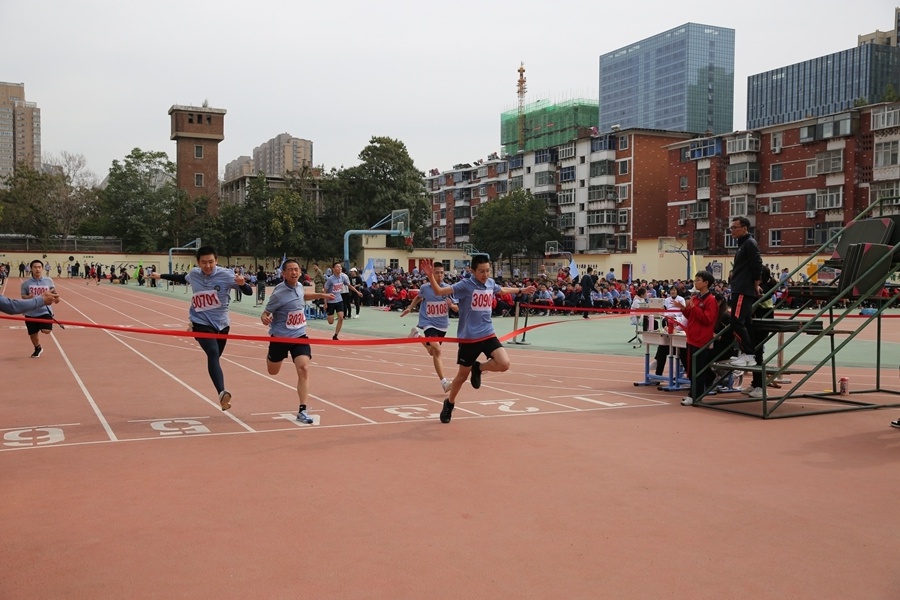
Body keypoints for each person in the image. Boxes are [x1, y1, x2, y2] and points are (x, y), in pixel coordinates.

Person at [421, 255, 536, 424]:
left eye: (488, 270)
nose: (485, 274)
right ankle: (449, 404)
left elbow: (501, 290)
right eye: (481, 271)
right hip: (469, 338)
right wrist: (431, 275)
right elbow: (439, 291)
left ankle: (479, 368)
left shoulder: (490, 283)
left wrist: (521, 290)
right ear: (473, 271)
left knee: (504, 364)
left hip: (488, 332)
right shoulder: (465, 285)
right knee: (461, 377)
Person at [150, 246, 252, 411]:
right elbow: (183, 278)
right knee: (212, 353)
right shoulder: (195, 274)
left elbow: (247, 292)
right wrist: (160, 275)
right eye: (204, 262)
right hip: (201, 322)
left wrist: (243, 284)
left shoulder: (226, 275)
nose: (208, 266)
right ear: (198, 262)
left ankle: (220, 390)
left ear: (216, 261)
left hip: (222, 324)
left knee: (215, 356)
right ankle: (222, 393)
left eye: (211, 262)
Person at [260, 259, 335, 424]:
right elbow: (265, 313)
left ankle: (302, 409)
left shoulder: (300, 286)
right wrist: (265, 318)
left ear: (300, 272)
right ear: (284, 274)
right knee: (273, 371)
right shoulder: (278, 293)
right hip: (280, 337)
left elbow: (303, 296)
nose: (294, 272)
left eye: (296, 270)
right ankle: (271, 356)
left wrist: (321, 295)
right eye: (290, 270)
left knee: (304, 369)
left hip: (299, 335)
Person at [400, 261, 459, 393]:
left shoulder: (448, 289)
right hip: (428, 323)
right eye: (437, 273)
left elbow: (456, 308)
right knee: (437, 349)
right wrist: (410, 308)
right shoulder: (425, 288)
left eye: (442, 273)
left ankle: (417, 336)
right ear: (432, 274)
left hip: (442, 325)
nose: (440, 275)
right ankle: (444, 382)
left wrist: (451, 305)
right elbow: (418, 298)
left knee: (432, 352)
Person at [679, 271, 721, 406]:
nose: (695, 282)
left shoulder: (711, 300)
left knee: (697, 368)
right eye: (695, 280)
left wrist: (694, 308)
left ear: (706, 283)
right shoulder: (696, 298)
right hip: (691, 336)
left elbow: (707, 319)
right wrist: (684, 309)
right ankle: (702, 386)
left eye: (698, 280)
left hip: (702, 338)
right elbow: (691, 317)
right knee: (691, 367)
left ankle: (695, 395)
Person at [728, 216, 763, 367]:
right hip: (739, 287)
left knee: (736, 321)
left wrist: (755, 284)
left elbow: (757, 264)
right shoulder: (742, 244)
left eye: (735, 227)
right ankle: (748, 354)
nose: (732, 230)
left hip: (743, 289)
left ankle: (748, 354)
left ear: (744, 228)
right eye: (731, 228)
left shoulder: (749, 243)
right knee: (746, 323)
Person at [20, 260, 56, 358]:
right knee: (33, 334)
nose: (37, 269)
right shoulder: (26, 284)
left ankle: (42, 324)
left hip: (45, 310)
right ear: (31, 269)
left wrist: (53, 295)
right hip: (30, 312)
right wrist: (29, 297)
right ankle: (37, 348)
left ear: (42, 268)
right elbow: (23, 296)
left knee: (46, 330)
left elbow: (54, 291)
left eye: (39, 267)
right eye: (35, 267)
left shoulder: (48, 281)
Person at [324, 261, 362, 340]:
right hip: (330, 301)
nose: (339, 268)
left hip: (339, 300)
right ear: (334, 269)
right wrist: (325, 303)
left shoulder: (343, 277)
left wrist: (357, 292)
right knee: (330, 322)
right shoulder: (330, 279)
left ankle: (335, 335)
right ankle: (329, 314)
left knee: (341, 318)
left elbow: (349, 286)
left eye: (340, 267)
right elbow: (325, 291)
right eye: (337, 267)